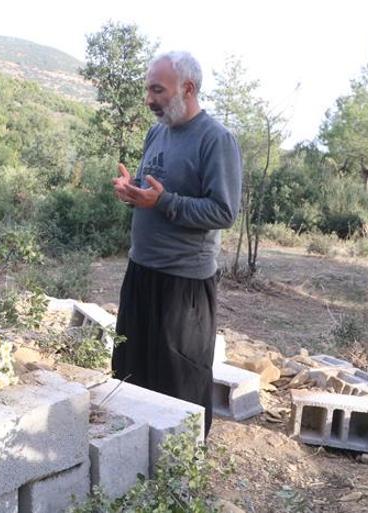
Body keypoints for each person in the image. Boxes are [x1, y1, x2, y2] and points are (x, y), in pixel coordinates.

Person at [111, 51, 242, 436]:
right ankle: (135, 461)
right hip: (141, 271)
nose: (149, 99)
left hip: (183, 285)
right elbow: (150, 190)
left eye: (157, 90)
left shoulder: (217, 140)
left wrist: (163, 202)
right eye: (148, 89)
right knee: (131, 371)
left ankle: (184, 469)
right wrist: (131, 192)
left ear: (187, 88)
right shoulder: (158, 131)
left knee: (180, 384)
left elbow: (223, 212)